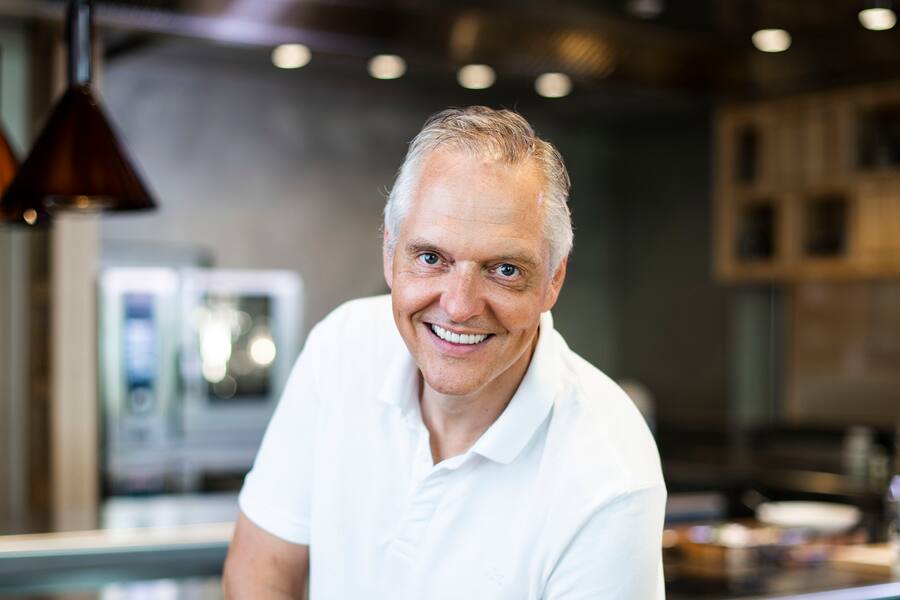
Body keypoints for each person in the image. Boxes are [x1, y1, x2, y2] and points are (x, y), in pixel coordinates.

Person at [223, 106, 666, 599]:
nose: (458, 307)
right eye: (431, 258)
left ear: (553, 280)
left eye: (504, 270)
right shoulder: (341, 346)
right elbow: (260, 568)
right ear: (391, 253)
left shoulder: (611, 474)